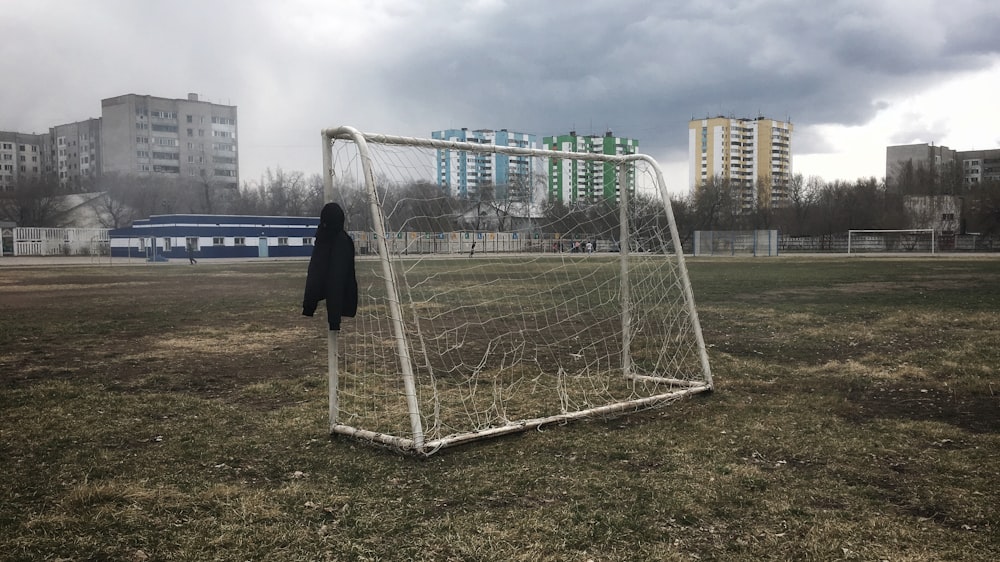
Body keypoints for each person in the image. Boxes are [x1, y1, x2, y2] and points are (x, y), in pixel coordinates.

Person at [302, 203, 358, 331]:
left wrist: (309, 306)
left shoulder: (330, 240)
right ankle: (332, 319)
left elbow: (320, 275)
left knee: (335, 280)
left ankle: (331, 318)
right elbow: (328, 278)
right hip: (337, 299)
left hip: (335, 299)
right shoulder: (338, 240)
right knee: (335, 280)